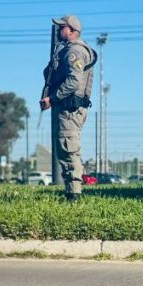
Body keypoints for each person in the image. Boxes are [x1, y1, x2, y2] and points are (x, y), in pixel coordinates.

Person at [40, 15, 96, 201]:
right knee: (66, 149)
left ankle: (74, 194)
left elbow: (73, 82)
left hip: (69, 108)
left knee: (69, 148)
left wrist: (53, 98)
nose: (58, 30)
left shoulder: (75, 52)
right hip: (66, 108)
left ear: (71, 30)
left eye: (61, 27)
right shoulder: (65, 50)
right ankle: (71, 191)